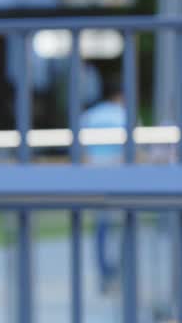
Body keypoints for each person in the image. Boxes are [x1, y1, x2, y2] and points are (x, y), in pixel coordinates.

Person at [81, 79, 127, 294]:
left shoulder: (91, 115)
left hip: (95, 176)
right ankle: (117, 273)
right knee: (120, 228)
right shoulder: (124, 115)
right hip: (117, 175)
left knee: (101, 228)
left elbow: (82, 151)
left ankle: (104, 274)